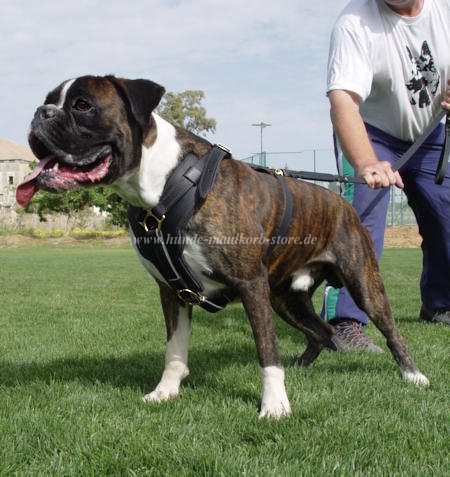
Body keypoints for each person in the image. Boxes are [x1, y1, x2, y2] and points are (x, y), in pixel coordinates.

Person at [322, 0, 450, 351]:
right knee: (361, 218)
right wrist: (366, 162)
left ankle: (441, 304)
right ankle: (343, 322)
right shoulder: (355, 23)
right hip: (371, 134)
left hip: (430, 134)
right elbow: (344, 100)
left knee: (446, 214)